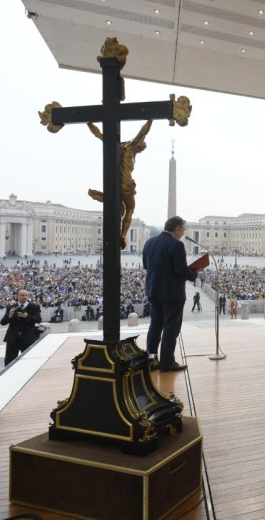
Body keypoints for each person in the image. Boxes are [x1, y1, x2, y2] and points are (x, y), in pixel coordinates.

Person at [143, 216, 199, 372]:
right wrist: (194, 273)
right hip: (172, 294)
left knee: (155, 325)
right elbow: (181, 270)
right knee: (170, 328)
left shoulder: (149, 243)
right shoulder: (176, 245)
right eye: (183, 229)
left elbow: (146, 265)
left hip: (153, 291)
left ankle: (151, 359)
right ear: (177, 229)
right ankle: (167, 362)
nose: (184, 232)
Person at [86, 119, 152, 250]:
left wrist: (89, 124)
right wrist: (151, 119)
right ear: (138, 144)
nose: (141, 150)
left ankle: (104, 199)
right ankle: (122, 235)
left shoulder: (118, 147)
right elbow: (142, 133)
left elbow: (99, 135)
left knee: (119, 210)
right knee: (130, 209)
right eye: (141, 148)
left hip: (114, 184)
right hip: (126, 185)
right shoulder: (130, 148)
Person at [1, 289, 42, 366]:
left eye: (26, 295)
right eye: (22, 295)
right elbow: (3, 322)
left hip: (28, 338)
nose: (24, 297)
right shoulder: (11, 307)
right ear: (17, 296)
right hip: (12, 339)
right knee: (9, 361)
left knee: (29, 361)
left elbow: (38, 320)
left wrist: (27, 316)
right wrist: (9, 315)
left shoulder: (34, 307)